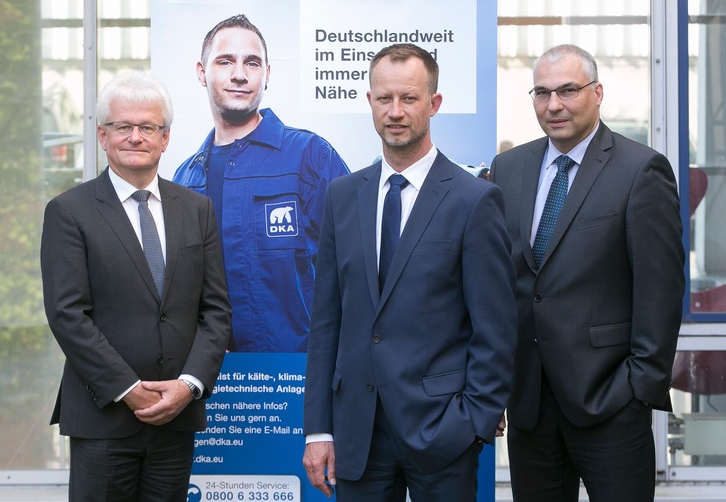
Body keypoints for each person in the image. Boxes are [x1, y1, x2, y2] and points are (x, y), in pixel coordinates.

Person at [302, 43, 518, 501]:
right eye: (384, 98)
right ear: (370, 102)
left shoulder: (474, 200)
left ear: (434, 103)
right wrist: (318, 430)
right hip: (357, 433)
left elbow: (495, 330)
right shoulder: (342, 196)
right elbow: (326, 323)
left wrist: (472, 422)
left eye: (409, 98)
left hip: (442, 434)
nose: (395, 111)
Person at [490, 44, 685, 501]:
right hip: (530, 407)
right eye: (542, 93)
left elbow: (660, 291)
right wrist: (495, 386)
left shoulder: (641, 170)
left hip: (610, 404)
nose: (553, 105)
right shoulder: (508, 169)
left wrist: (638, 388)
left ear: (597, 93)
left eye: (568, 90)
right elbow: (499, 284)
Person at [41, 71, 232, 500]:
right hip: (103, 418)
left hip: (176, 417)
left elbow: (216, 310)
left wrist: (189, 385)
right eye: (122, 126)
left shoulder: (197, 210)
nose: (135, 137)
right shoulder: (69, 211)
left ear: (165, 138)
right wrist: (129, 390)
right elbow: (67, 315)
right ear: (102, 136)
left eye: (147, 127)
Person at [173, 14, 349, 353]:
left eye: (252, 63)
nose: (239, 74)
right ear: (201, 72)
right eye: (225, 61)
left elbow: (358, 269)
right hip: (212, 378)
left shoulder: (310, 157)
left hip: (296, 375)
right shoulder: (186, 179)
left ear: (266, 74)